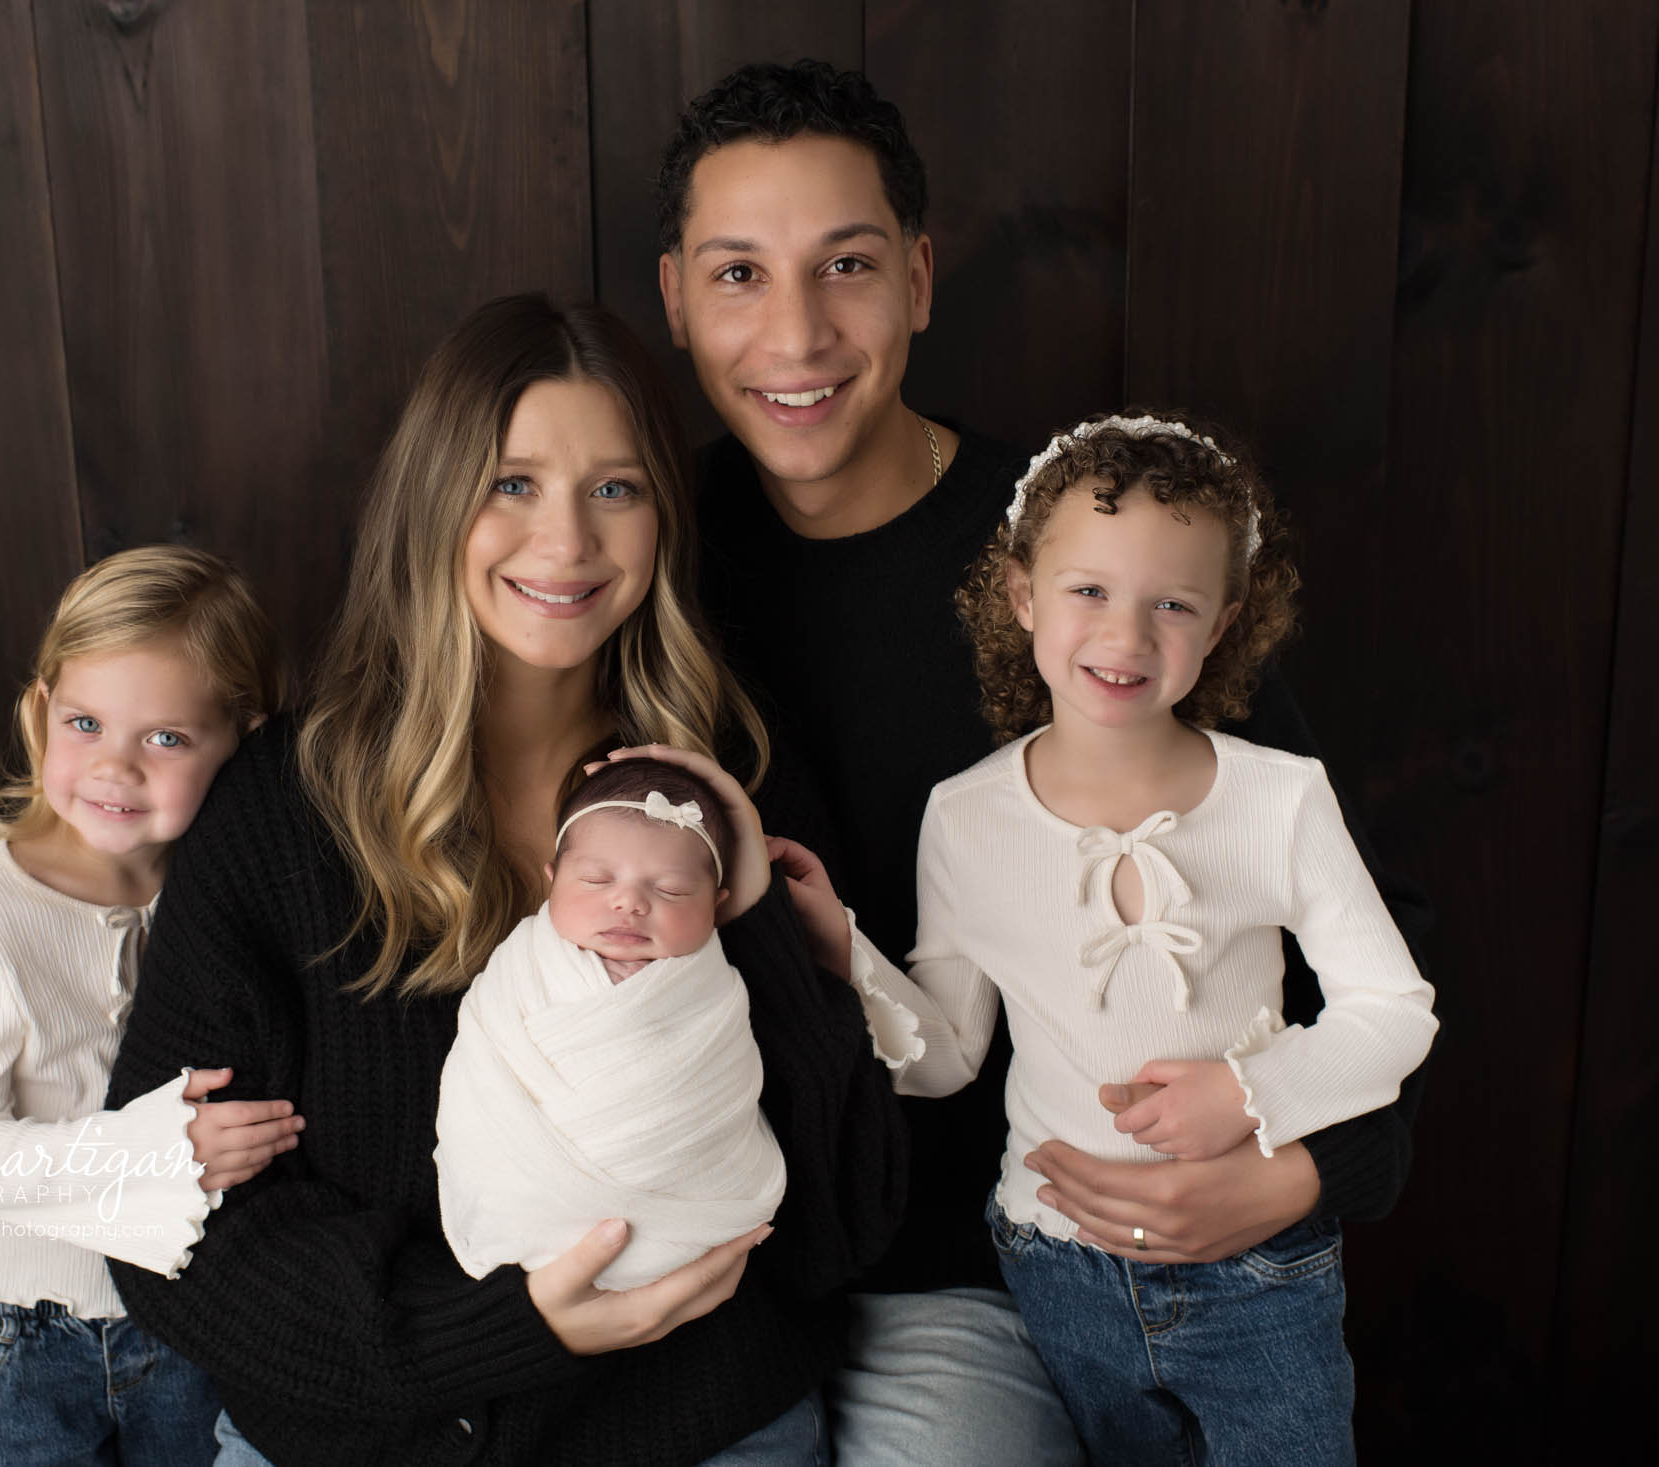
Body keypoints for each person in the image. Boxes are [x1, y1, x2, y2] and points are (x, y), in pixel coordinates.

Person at [655, 60, 1434, 1464]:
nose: (796, 330)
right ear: (674, 299)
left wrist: (1308, 1171)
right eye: (737, 274)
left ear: (922, 278)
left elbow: (1360, 960)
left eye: (847, 265)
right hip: (718, 1249)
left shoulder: (1091, 558)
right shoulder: (640, 559)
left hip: (1012, 1260)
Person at [104, 294, 906, 1467]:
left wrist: (776, 946)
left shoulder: (727, 786)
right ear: (433, 505)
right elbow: (169, 1219)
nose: (567, 542)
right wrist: (492, 1329)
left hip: (690, 1430)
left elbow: (840, 1227)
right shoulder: (284, 809)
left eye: (615, 488)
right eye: (511, 484)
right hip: (368, 1433)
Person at [850, 414, 1438, 1463]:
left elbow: (1392, 1011)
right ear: (1022, 595)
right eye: (1087, 592)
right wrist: (838, 945)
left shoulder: (1277, 799)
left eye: (1171, 604)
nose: (1124, 639)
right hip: (1054, 1265)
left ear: (1219, 625)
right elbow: (945, 1059)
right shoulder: (967, 817)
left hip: (1261, 1272)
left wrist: (1251, 1097)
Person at [0, 545, 302, 1466]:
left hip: (186, 1310)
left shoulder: (226, 892)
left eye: (165, 737)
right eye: (85, 722)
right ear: (41, 709)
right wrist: (160, 1153)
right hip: (16, 1331)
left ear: (244, 737)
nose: (115, 768)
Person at [435, 756, 787, 1293]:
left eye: (669, 890)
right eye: (596, 880)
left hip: (682, 1220)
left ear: (717, 906)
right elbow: (482, 1072)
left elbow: (721, 1088)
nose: (628, 901)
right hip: (524, 1211)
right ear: (551, 882)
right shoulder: (524, 968)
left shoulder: (708, 989)